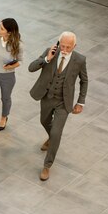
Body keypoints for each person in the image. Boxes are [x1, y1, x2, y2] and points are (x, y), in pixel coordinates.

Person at [29, 31, 88, 181]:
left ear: (74, 46)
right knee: (44, 121)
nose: (65, 50)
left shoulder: (80, 60)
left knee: (56, 132)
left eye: (69, 47)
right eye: (63, 46)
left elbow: (84, 81)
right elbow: (31, 67)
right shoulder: (50, 53)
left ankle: (47, 166)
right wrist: (47, 59)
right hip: (47, 97)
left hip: (64, 102)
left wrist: (80, 102)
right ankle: (51, 138)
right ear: (58, 42)